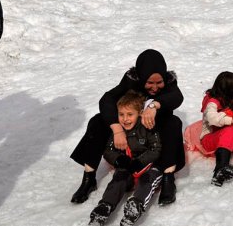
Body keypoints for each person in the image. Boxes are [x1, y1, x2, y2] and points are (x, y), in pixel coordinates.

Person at [70, 50, 184, 206]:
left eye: (159, 82)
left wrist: (154, 105)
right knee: (97, 121)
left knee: (174, 123)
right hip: (130, 129)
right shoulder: (131, 81)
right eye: (150, 82)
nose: (155, 88)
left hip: (152, 134)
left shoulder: (170, 82)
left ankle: (167, 177)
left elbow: (176, 96)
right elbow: (107, 100)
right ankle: (89, 177)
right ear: (142, 77)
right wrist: (117, 129)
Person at [87, 91, 163, 226]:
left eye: (130, 114)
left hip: (148, 167)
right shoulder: (119, 131)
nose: (125, 119)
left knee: (148, 180)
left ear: (139, 113)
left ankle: (135, 206)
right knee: (118, 179)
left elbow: (156, 149)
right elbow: (108, 150)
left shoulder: (147, 127)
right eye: (121, 114)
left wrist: (140, 162)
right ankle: (105, 207)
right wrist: (119, 160)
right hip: (128, 167)